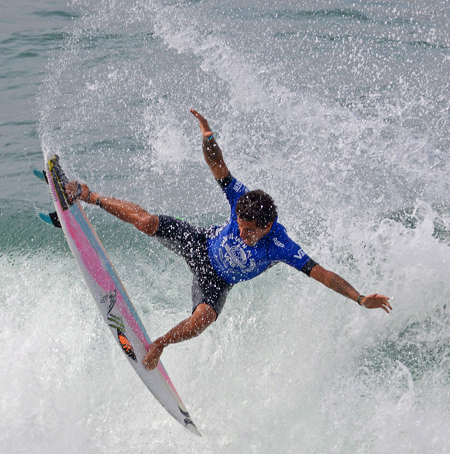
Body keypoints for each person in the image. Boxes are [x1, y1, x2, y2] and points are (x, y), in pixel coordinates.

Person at [62, 108, 392, 370]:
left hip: (217, 280)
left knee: (203, 318)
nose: (244, 234)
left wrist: (360, 298)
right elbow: (217, 163)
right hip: (200, 244)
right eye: (240, 226)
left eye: (251, 231)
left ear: (268, 225)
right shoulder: (240, 199)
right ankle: (88, 195)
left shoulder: (281, 245)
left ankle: (160, 343)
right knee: (147, 222)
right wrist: (208, 135)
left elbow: (323, 274)